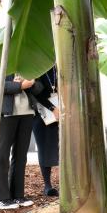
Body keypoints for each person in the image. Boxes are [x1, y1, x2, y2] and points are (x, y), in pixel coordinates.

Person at [0, 56, 42, 210]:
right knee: (1, 155)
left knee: (20, 156)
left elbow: (39, 88)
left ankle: (17, 195)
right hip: (4, 113)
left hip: (26, 112)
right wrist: (18, 85)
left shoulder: (26, 56)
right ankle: (0, 198)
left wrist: (31, 83)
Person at [31, 66, 60, 197]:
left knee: (61, 147)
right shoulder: (37, 66)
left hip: (60, 109)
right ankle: (47, 185)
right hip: (41, 112)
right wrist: (52, 108)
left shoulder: (58, 66)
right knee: (44, 147)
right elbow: (35, 91)